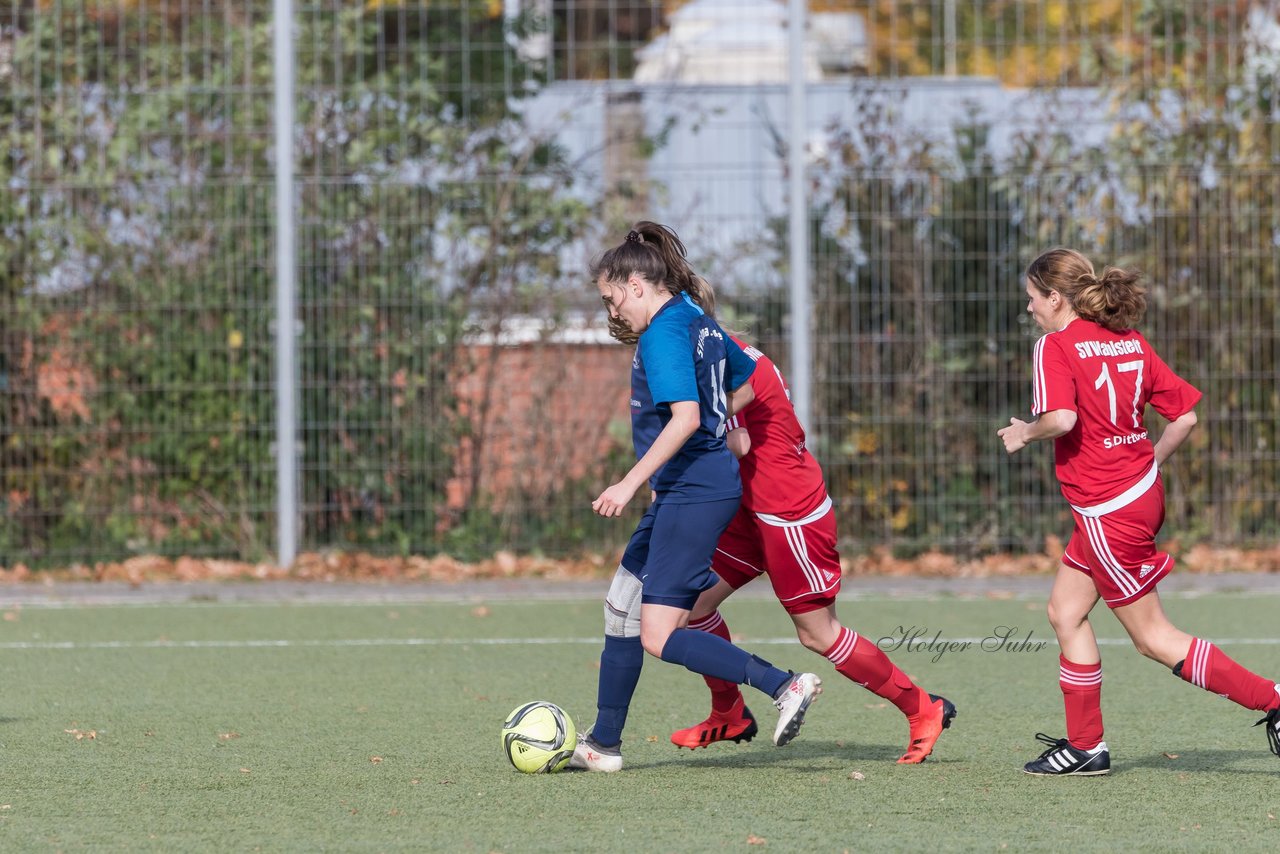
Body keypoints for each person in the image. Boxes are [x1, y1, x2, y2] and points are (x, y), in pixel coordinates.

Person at [998, 248, 1280, 776]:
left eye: (1032, 299)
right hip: (1134, 496)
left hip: (1109, 511)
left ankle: (1274, 699)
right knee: (1065, 611)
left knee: (1153, 638)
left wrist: (1023, 432)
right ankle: (1087, 748)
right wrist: (1147, 462)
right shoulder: (1129, 341)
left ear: (1055, 297)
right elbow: (1186, 419)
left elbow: (1059, 419)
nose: (1030, 309)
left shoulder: (1054, 346)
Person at [569, 221, 822, 772]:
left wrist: (628, 481)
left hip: (693, 494)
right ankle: (603, 744)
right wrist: (725, 425)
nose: (613, 312)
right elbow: (750, 379)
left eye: (612, 299)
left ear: (636, 284)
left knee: (659, 635)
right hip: (692, 488)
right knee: (621, 605)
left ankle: (785, 685)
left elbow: (683, 416)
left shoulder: (662, 331)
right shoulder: (694, 317)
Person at [669, 337, 957, 764]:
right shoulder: (719, 351)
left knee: (818, 633)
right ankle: (728, 712)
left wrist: (667, 453)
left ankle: (921, 708)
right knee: (691, 607)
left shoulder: (718, 359)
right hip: (749, 508)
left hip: (788, 511)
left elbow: (739, 442)